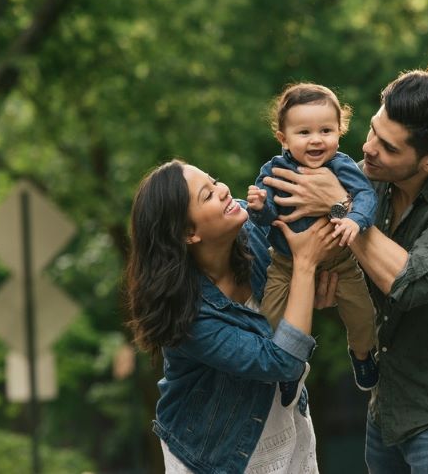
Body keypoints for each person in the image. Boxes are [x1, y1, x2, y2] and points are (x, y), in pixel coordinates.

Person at [261, 69, 428, 473]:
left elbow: (407, 283)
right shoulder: (366, 179)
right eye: (373, 130)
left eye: (388, 147)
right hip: (385, 403)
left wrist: (339, 205)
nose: (369, 148)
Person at [125, 159, 340, 473]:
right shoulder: (190, 317)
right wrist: (306, 266)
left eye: (214, 181)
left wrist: (307, 290)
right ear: (188, 233)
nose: (224, 191)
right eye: (208, 196)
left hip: (283, 426)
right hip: (213, 455)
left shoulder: (251, 225)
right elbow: (281, 362)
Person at [247, 82, 379, 401]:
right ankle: (288, 368)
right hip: (287, 264)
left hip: (339, 262)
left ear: (339, 132)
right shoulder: (274, 170)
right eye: (304, 133)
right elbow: (269, 219)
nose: (316, 140)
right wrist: (260, 207)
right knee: (271, 320)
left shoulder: (342, 166)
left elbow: (365, 197)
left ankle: (362, 355)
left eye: (326, 130)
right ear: (284, 139)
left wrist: (352, 219)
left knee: (364, 316)